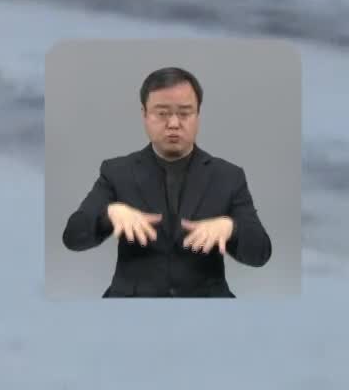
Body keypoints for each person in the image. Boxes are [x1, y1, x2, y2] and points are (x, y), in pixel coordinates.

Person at [61, 66, 272, 297]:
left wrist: (230, 229)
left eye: (184, 113)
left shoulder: (228, 176)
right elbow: (73, 236)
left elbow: (260, 253)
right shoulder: (116, 172)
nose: (173, 123)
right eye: (162, 113)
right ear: (144, 114)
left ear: (198, 114)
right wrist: (110, 214)